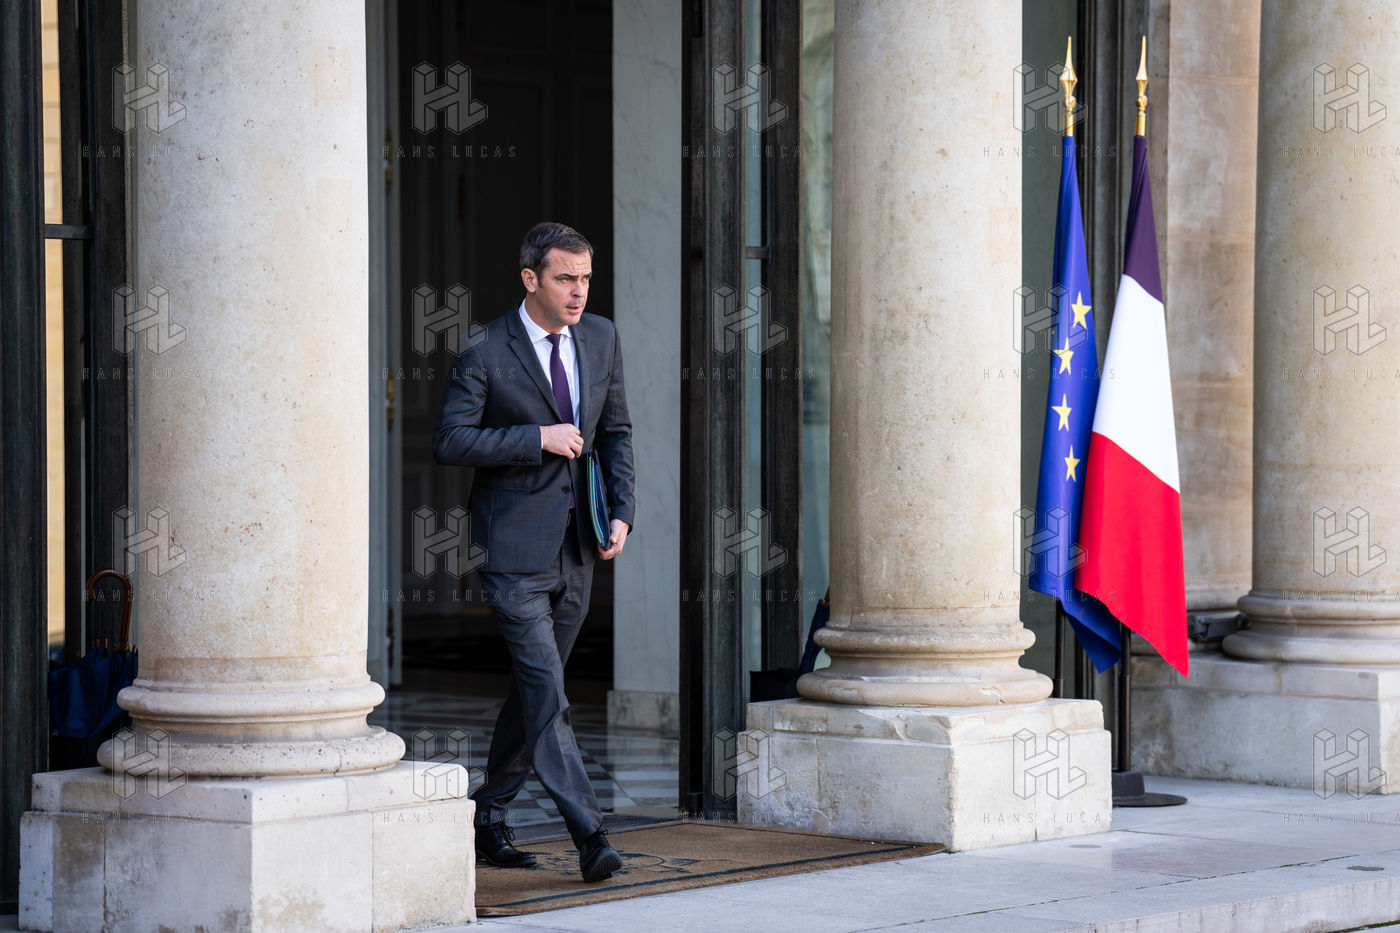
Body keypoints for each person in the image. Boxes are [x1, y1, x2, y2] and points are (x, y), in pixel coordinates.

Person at [433, 221, 635, 883]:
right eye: (564, 278)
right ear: (530, 279)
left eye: (585, 278)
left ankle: (487, 814)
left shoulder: (601, 337)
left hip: (579, 547)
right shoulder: (485, 348)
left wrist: (623, 510)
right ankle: (591, 835)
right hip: (513, 552)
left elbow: (616, 431)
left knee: (534, 688)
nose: (579, 292)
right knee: (549, 690)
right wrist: (535, 438)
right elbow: (451, 440)